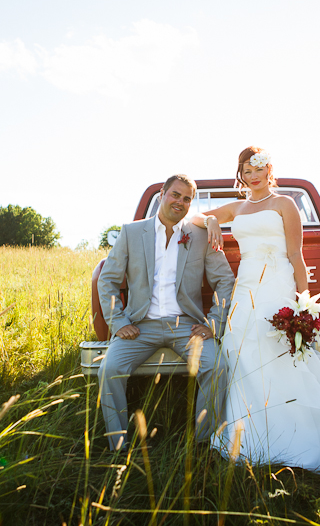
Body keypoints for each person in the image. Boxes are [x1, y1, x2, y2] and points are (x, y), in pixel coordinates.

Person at [191, 147, 320, 475]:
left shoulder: (284, 204)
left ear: (268, 171)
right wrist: (210, 220)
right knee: (241, 353)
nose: (252, 176)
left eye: (257, 170)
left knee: (276, 352)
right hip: (246, 287)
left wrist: (303, 304)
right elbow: (194, 217)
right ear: (241, 175)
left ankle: (295, 435)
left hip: (276, 282)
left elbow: (296, 254)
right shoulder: (238, 207)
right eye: (246, 171)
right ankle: (249, 435)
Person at [97, 174, 235, 451]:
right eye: (175, 194)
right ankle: (118, 447)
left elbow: (225, 281)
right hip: (140, 325)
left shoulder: (199, 235)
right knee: (108, 369)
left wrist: (214, 323)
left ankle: (204, 445)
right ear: (162, 194)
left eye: (187, 199)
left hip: (187, 326)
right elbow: (107, 279)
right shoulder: (132, 232)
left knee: (217, 367)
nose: (180, 202)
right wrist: (118, 321)